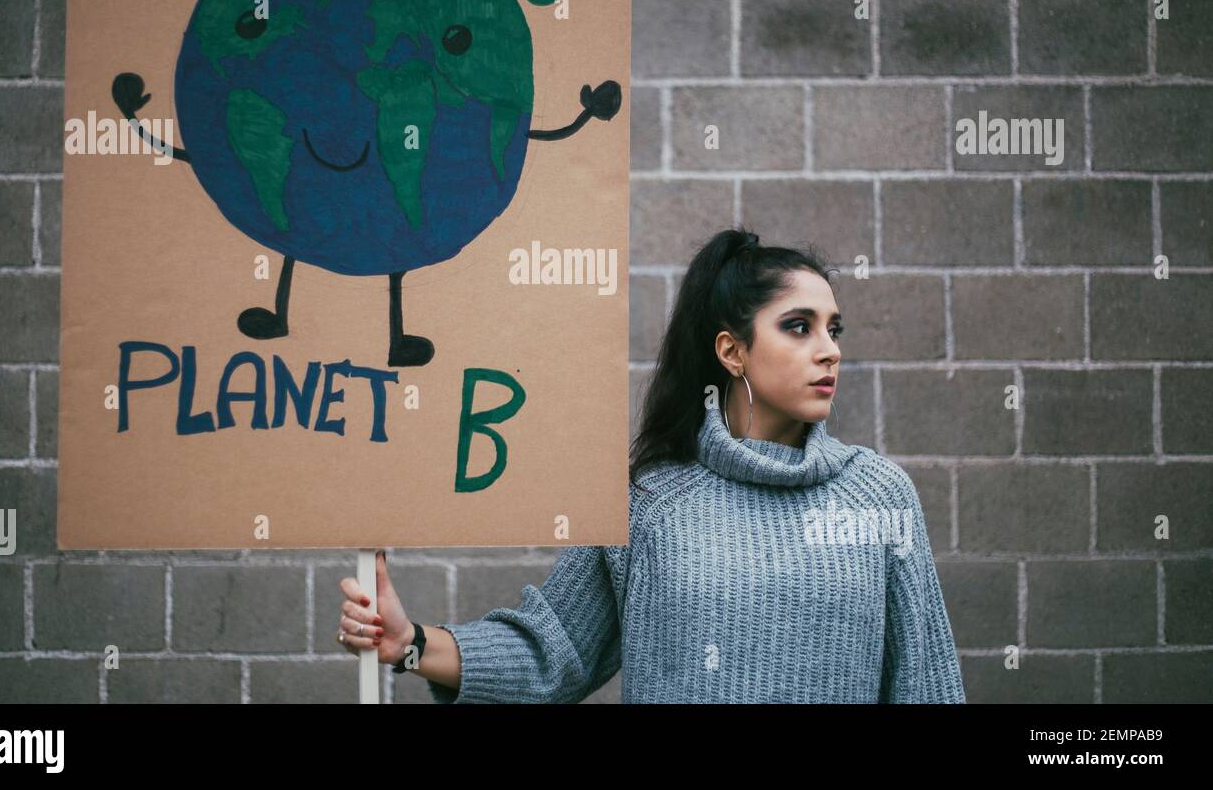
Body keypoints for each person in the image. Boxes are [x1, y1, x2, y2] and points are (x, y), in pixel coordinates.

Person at [337, 226, 966, 703]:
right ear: (732, 351)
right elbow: (550, 651)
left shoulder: (879, 496)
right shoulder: (653, 500)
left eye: (835, 329)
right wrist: (410, 644)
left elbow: (929, 684)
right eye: (799, 327)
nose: (829, 351)